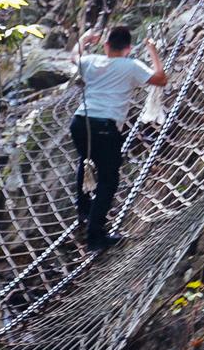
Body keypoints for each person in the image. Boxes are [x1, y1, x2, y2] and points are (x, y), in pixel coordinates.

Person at [70, 23, 167, 251]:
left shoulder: (91, 61)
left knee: (85, 159)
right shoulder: (131, 65)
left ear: (106, 45)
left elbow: (74, 57)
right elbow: (161, 79)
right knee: (108, 179)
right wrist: (153, 51)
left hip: (79, 122)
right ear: (129, 48)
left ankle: (84, 211)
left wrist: (84, 38)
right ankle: (95, 237)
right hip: (105, 126)